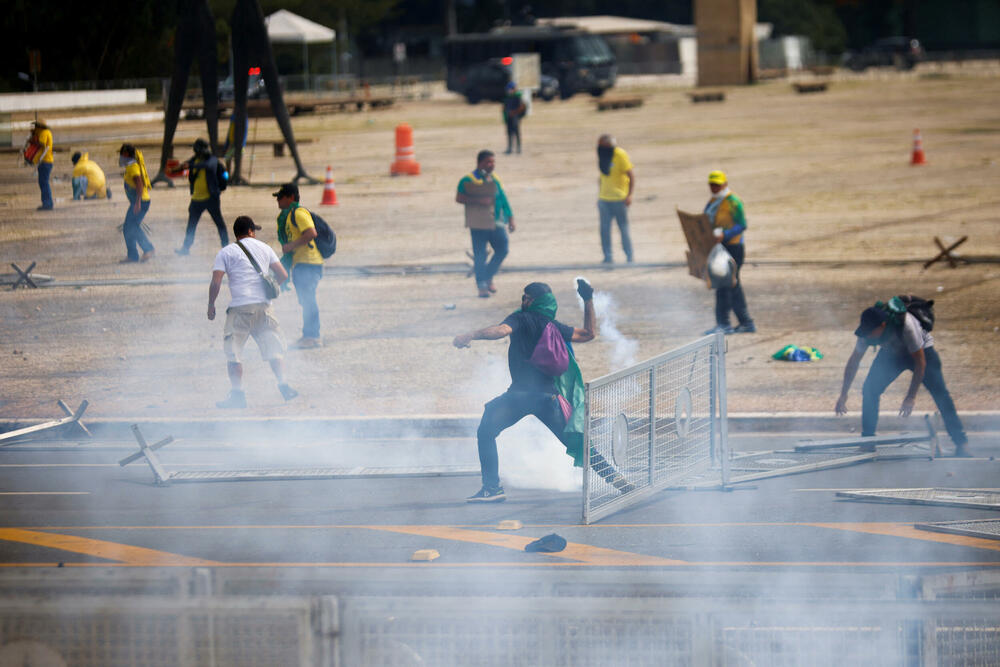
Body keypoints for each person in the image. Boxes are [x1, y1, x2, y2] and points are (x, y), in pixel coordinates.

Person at [453, 279, 633, 502]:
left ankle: (492, 489)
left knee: (485, 432)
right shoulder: (553, 326)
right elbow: (588, 333)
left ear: (533, 301)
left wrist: (471, 335)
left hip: (519, 397)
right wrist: (588, 300)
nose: (523, 300)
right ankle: (616, 479)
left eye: (526, 297)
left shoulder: (520, 318)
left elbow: (501, 330)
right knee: (578, 442)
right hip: (548, 398)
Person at [835, 302, 970, 456]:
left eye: (871, 331)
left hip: (922, 353)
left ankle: (961, 443)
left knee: (941, 394)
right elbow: (854, 362)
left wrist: (910, 396)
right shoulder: (866, 335)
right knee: (870, 390)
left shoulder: (907, 325)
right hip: (891, 355)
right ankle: (868, 442)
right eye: (866, 332)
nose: (868, 335)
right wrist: (843, 394)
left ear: (883, 325)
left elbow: (920, 363)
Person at [208, 215, 298, 408]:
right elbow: (282, 274)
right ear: (250, 231)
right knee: (274, 350)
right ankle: (284, 386)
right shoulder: (265, 248)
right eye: (254, 231)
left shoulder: (226, 252)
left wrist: (211, 304)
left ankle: (238, 395)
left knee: (234, 354)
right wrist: (269, 287)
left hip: (240, 308)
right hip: (264, 307)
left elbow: (216, 282)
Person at [456, 150, 515, 298]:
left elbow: (503, 198)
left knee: (503, 250)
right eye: (488, 162)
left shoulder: (494, 179)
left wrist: (510, 217)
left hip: (497, 222)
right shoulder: (468, 180)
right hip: (478, 224)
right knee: (480, 254)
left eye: (493, 162)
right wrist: (478, 201)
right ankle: (481, 285)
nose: (491, 165)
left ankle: (488, 276)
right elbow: (459, 198)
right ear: (480, 162)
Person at [702, 170, 755, 334]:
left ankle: (726, 323)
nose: (714, 187)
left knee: (726, 284)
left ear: (724, 184)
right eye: (712, 185)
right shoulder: (712, 201)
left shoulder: (733, 201)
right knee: (729, 285)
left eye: (717, 185)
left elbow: (742, 225)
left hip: (734, 247)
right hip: (718, 248)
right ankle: (743, 322)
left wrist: (725, 234)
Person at [274, 183, 324, 349]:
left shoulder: (298, 213)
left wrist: (291, 246)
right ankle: (308, 334)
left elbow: (311, 233)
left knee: (308, 300)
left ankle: (313, 336)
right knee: (305, 300)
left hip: (309, 263)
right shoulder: (288, 216)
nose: (278, 200)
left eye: (280, 197)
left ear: (291, 197)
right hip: (301, 263)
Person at [176, 138, 228, 255]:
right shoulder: (195, 160)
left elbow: (208, 166)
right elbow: (186, 165)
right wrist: (179, 167)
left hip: (211, 198)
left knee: (219, 223)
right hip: (196, 199)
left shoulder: (212, 160)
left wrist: (191, 165)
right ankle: (185, 248)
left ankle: (226, 247)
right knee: (191, 226)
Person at [596, 135, 634, 263]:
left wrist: (629, 195)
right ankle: (608, 256)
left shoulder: (620, 155)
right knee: (604, 230)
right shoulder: (602, 155)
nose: (600, 148)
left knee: (623, 228)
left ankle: (629, 255)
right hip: (603, 200)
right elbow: (602, 176)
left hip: (619, 199)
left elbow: (631, 176)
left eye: (602, 146)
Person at [118, 144, 155, 263]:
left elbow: (139, 184)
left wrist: (138, 202)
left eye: (122, 153)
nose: (120, 156)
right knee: (129, 227)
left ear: (127, 154)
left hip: (141, 201)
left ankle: (147, 249)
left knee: (130, 227)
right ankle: (133, 255)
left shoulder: (132, 167)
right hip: (139, 201)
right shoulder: (132, 165)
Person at [28, 120, 54, 210]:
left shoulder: (43, 133)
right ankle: (47, 202)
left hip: (45, 161)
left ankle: (47, 203)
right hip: (46, 161)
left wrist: (32, 139)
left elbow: (41, 144)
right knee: (43, 182)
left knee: (44, 182)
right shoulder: (46, 132)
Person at [502, 81, 526, 154]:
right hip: (509, 118)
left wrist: (514, 113)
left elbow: (521, 108)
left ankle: (518, 148)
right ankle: (509, 148)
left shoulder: (518, 97)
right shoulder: (507, 98)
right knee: (509, 133)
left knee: (516, 133)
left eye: (510, 89)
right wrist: (505, 114)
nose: (509, 91)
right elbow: (505, 107)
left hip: (515, 118)